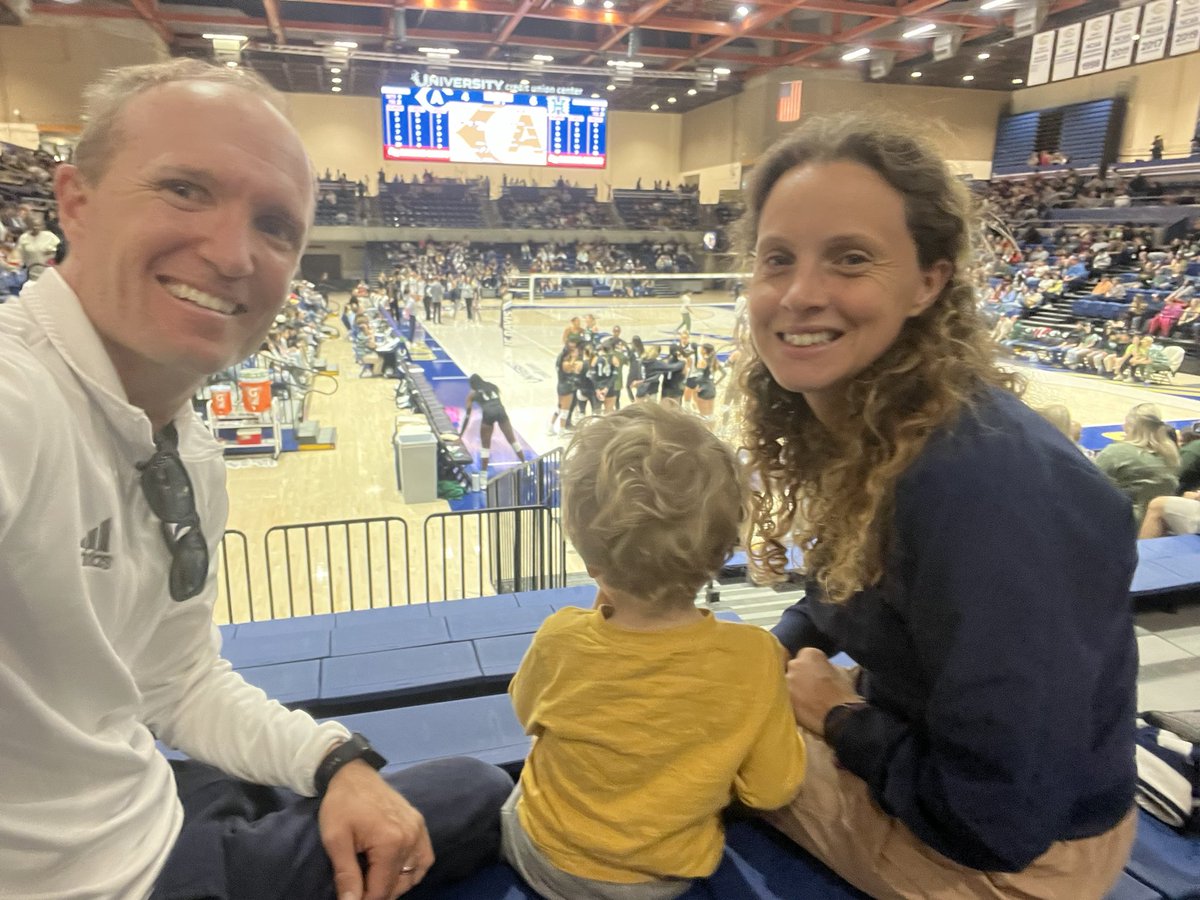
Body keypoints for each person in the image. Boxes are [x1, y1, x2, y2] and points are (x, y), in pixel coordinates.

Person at [0, 60, 512, 900]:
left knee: (427, 796)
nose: (233, 253)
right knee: (473, 796)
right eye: (184, 190)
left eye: (275, 225)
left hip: (146, 799)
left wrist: (334, 759)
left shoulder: (189, 450)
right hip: (105, 879)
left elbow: (176, 679)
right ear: (75, 202)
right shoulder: (17, 397)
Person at [736, 112, 1138, 898]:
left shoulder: (987, 492)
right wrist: (776, 648)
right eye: (776, 258)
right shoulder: (885, 426)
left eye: (850, 259)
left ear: (930, 280)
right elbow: (847, 581)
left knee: (673, 739)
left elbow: (996, 819)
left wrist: (839, 718)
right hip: (958, 781)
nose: (799, 293)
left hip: (1015, 863)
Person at [501, 403, 807, 900]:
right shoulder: (756, 657)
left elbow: (526, 712)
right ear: (720, 552)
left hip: (545, 857)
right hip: (660, 880)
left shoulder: (561, 636)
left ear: (586, 551)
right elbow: (771, 789)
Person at [1094, 403, 1180, 525]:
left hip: (1123, 525)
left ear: (1130, 426)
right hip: (1162, 524)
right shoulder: (1172, 455)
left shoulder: (1115, 452)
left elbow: (1090, 485)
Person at [459, 373, 525, 479]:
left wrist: (461, 434)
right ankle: (525, 463)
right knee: (513, 440)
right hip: (501, 411)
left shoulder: (472, 394)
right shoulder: (493, 386)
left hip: (488, 414)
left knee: (485, 447)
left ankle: (483, 478)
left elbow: (467, 415)